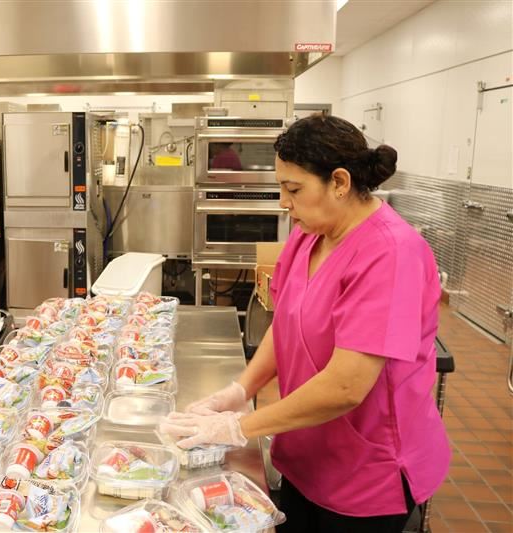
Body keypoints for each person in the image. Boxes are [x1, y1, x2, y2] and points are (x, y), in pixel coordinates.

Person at [161, 115, 449, 533]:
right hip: (307, 452)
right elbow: (287, 325)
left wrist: (237, 426)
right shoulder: (309, 233)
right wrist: (242, 389)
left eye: (293, 189)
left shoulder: (391, 254)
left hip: (367, 474)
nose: (283, 202)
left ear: (340, 182)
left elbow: (346, 387)